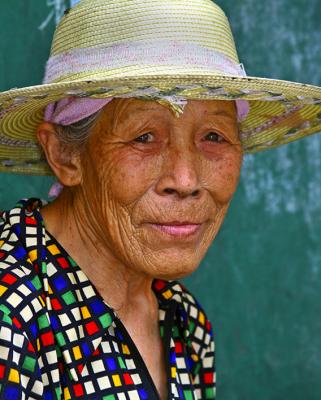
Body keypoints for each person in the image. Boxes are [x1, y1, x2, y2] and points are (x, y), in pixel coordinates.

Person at [0, 0, 320, 399]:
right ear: (65, 155)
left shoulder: (182, 320)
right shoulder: (11, 316)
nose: (185, 180)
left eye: (214, 137)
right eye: (144, 137)